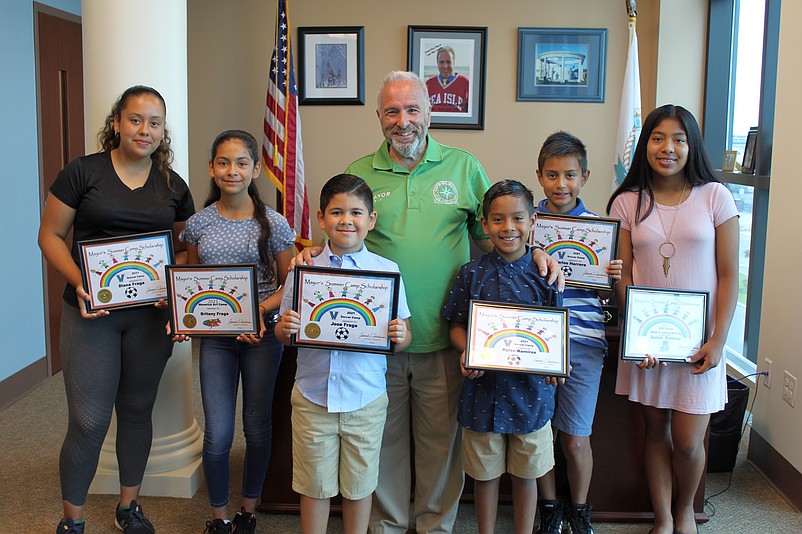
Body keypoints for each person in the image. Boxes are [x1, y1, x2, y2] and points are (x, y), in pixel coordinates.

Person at [299, 70, 560, 533]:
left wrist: (537, 249)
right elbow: (335, 238)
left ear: (429, 111)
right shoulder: (359, 171)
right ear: (378, 116)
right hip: (378, 342)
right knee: (385, 444)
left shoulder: (462, 166)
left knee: (442, 446)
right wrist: (307, 254)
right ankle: (389, 526)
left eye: (413, 109)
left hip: (446, 340)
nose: (404, 121)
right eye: (393, 111)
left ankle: (435, 526)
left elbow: (501, 229)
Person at [38, 85, 195, 534]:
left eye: (154, 122)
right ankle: (72, 520)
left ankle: (129, 506)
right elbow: (49, 235)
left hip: (149, 316)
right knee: (88, 420)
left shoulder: (171, 184)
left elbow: (185, 249)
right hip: (92, 314)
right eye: (135, 119)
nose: (144, 130)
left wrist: (171, 282)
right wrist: (79, 282)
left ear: (163, 131)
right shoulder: (82, 172)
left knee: (137, 409)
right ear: (117, 123)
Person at [606, 105, 739, 534]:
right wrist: (637, 330)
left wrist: (718, 341)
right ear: (645, 144)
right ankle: (665, 518)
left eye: (679, 139)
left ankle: (686, 511)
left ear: (691, 145)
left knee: (687, 441)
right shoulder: (627, 202)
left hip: (698, 345)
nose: (668, 148)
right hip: (649, 344)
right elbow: (622, 274)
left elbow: (729, 274)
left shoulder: (716, 196)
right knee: (655, 432)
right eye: (658, 138)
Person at [275, 174, 412, 534]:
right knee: (313, 484)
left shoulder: (387, 272)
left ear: (371, 220)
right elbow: (283, 331)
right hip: (312, 395)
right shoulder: (303, 268)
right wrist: (284, 328)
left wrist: (401, 334)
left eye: (356, 212)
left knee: (359, 484)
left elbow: (403, 335)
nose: (346, 220)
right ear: (321, 219)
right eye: (336, 212)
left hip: (364, 398)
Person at [180, 130, 295, 534]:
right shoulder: (197, 224)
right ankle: (219, 516)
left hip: (261, 338)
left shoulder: (274, 224)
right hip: (216, 339)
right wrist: (182, 316)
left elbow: (288, 284)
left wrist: (257, 313)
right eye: (224, 163)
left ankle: (247, 510)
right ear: (211, 168)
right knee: (218, 432)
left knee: (257, 424)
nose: (232, 171)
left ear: (255, 169)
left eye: (242, 163)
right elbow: (192, 280)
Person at [442, 180, 563, 534]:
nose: (508, 228)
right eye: (497, 219)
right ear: (484, 224)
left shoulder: (546, 275)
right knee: (485, 475)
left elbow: (556, 334)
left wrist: (558, 364)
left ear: (532, 220)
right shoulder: (471, 273)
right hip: (483, 394)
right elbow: (455, 326)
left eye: (517, 218)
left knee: (527, 476)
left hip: (532, 394)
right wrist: (467, 350)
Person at [532, 132, 622, 534]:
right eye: (552, 175)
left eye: (570, 175)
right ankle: (550, 508)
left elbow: (612, 294)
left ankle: (580, 511)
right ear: (539, 176)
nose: (561, 184)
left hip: (584, 343)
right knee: (538, 436)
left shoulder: (600, 230)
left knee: (575, 437)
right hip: (535, 343)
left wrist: (614, 278)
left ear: (584, 176)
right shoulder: (526, 223)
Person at [425, 46, 470, 113]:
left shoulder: (466, 83)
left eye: (448, 62)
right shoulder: (429, 84)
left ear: (454, 62)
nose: (445, 66)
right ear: (437, 63)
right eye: (441, 62)